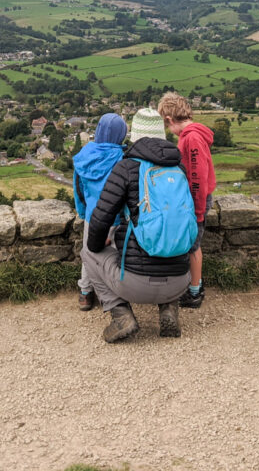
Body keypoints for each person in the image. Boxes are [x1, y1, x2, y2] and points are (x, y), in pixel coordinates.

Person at [81, 108, 192, 342]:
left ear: (134, 134)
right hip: (181, 280)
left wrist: (101, 243)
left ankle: (120, 313)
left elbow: (100, 220)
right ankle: (169, 308)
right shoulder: (179, 169)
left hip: (134, 283)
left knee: (88, 252)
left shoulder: (126, 168)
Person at [157, 91, 215, 308]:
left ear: (170, 120)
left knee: (193, 245)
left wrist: (197, 210)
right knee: (191, 244)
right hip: (193, 200)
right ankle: (193, 286)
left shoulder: (191, 138)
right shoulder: (192, 134)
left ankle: (194, 292)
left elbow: (197, 177)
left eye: (166, 125)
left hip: (195, 201)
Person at [72, 112, 127, 311]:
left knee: (90, 254)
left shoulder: (84, 156)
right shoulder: (123, 157)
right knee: (118, 255)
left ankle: (86, 293)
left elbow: (78, 188)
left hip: (92, 216)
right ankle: (118, 293)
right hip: (118, 216)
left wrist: (82, 212)